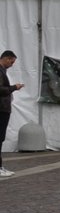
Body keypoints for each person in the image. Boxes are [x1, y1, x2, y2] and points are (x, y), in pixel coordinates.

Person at [0, 49, 21, 178]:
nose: (12, 65)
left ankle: (0, 166)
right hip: (1, 109)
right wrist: (14, 87)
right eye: (11, 62)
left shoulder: (2, 71)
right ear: (6, 58)